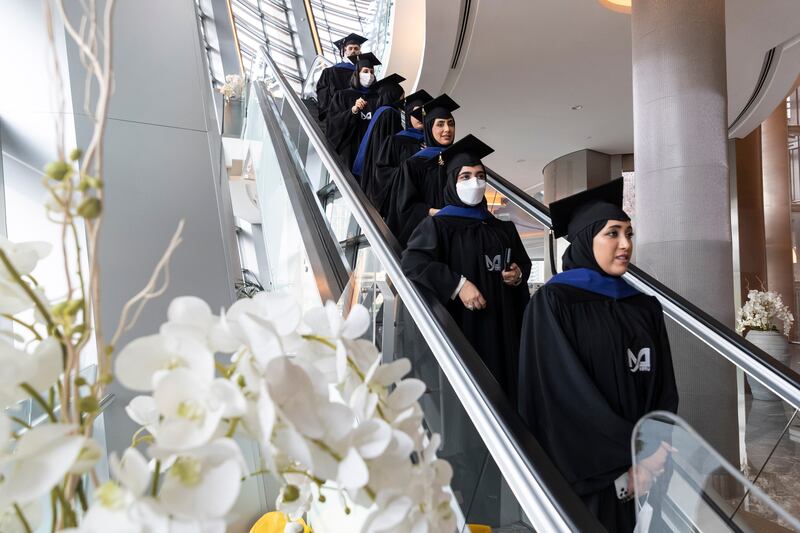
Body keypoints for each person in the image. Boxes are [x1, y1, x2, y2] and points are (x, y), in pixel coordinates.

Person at [517, 178, 679, 532]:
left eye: (629, 234)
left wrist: (655, 449)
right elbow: (561, 398)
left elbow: (664, 385)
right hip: (590, 476)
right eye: (612, 234)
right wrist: (630, 458)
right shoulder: (554, 304)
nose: (625, 244)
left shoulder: (643, 306)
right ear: (585, 241)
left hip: (648, 468)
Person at [402, 135, 531, 398]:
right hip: (464, 329)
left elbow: (523, 264)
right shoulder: (438, 226)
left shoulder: (502, 228)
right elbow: (413, 263)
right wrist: (458, 284)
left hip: (505, 325)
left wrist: (517, 275)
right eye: (466, 176)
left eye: (480, 175)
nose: (476, 182)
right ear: (452, 182)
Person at [384, 94, 459, 245]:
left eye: (451, 123)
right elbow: (404, 207)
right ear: (429, 128)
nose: (447, 129)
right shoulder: (414, 164)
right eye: (440, 124)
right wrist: (431, 212)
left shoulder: (460, 162)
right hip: (427, 239)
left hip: (458, 237)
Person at [367, 89, 433, 215]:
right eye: (416, 112)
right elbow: (381, 172)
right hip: (401, 204)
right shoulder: (395, 141)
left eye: (424, 112)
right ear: (408, 114)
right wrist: (407, 173)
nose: (420, 116)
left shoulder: (433, 145)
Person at [325, 53, 384, 168]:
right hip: (352, 148)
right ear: (357, 74)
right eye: (365, 71)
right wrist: (353, 111)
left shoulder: (378, 98)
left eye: (372, 72)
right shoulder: (343, 95)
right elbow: (333, 122)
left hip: (374, 149)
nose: (369, 75)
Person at [350, 73, 406, 189]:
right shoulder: (390, 113)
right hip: (376, 170)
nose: (403, 101)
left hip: (367, 166)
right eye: (402, 97)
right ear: (393, 96)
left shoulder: (380, 111)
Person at [315, 33, 367, 125]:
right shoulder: (330, 72)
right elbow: (323, 93)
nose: (353, 51)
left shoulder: (365, 73)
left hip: (360, 113)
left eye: (356, 48)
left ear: (360, 51)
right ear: (344, 50)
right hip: (338, 113)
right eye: (350, 48)